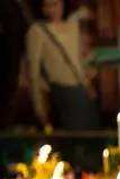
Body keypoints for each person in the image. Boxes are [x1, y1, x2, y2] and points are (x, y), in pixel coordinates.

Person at [26, 0, 99, 130]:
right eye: (48, 5)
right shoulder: (37, 31)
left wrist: (88, 85)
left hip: (81, 91)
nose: (53, 10)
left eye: (56, 4)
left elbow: (78, 62)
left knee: (90, 136)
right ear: (43, 9)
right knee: (70, 138)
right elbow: (33, 73)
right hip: (61, 92)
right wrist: (39, 108)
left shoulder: (73, 27)